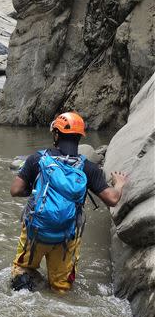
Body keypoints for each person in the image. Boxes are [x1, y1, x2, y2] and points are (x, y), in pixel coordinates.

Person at [10, 112, 128, 293]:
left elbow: (15, 190)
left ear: (56, 134)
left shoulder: (38, 159)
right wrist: (119, 184)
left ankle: (23, 289)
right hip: (66, 237)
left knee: (22, 270)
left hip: (36, 231)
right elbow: (112, 199)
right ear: (80, 137)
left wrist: (36, 190)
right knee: (61, 289)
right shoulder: (88, 168)